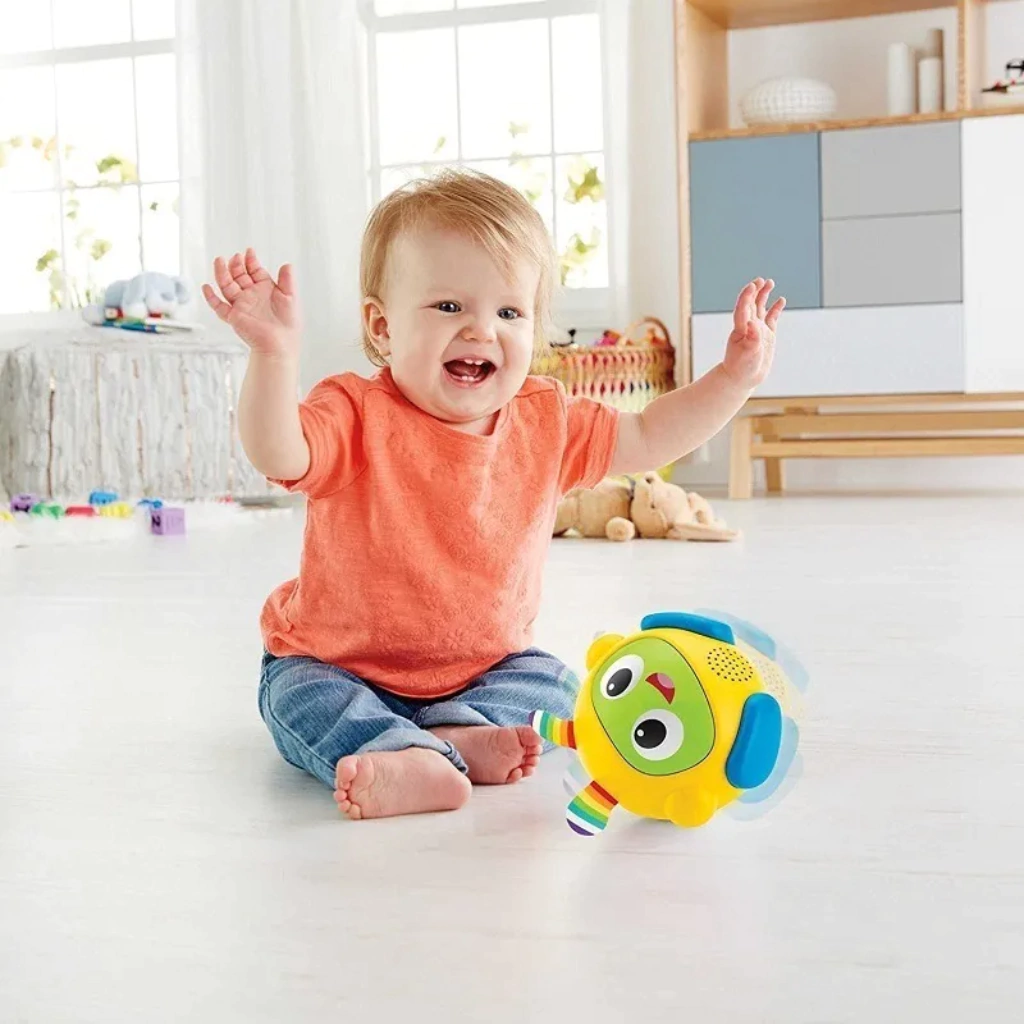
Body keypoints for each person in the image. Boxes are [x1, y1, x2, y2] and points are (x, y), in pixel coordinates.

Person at [202, 169, 784, 821]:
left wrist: (732, 379)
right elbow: (278, 452)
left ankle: (458, 731)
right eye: (449, 307)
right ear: (382, 327)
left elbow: (648, 435)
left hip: (485, 668)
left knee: (559, 686)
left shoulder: (545, 418)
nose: (482, 330)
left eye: (509, 312)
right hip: (340, 663)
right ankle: (401, 754)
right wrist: (273, 355)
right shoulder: (354, 411)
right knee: (299, 698)